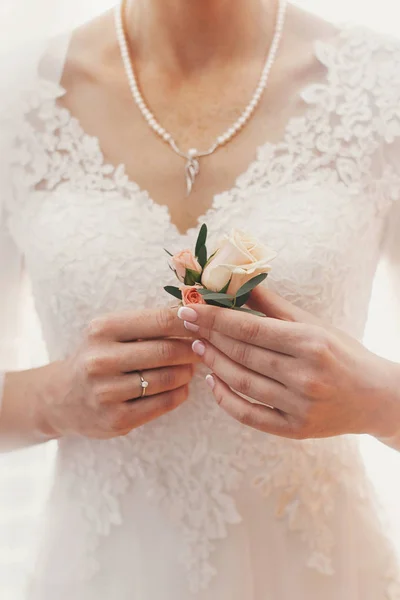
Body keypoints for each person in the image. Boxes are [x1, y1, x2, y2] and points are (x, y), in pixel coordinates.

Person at [0, 0, 400, 598]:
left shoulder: (381, 86)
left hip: (320, 570)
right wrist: (52, 399)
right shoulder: (16, 96)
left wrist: (375, 402)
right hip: (101, 570)